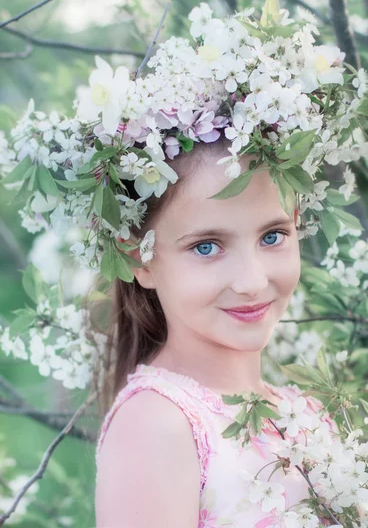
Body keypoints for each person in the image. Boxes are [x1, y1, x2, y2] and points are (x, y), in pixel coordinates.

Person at [94, 132, 338, 527]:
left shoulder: (308, 413)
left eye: (272, 236)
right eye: (207, 247)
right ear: (137, 258)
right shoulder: (157, 425)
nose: (251, 281)